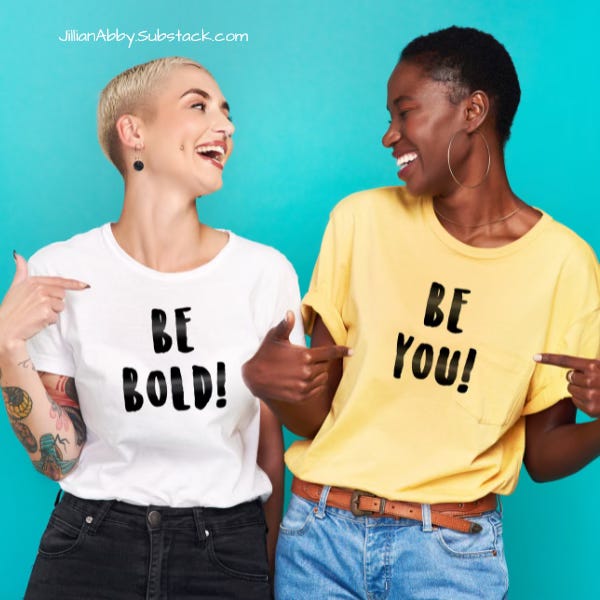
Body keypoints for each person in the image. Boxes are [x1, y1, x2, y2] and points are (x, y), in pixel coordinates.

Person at [242, 26, 600, 599]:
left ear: (472, 110)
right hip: (319, 540)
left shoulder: (564, 264)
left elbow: (544, 455)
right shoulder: (360, 221)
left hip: (449, 557)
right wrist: (268, 382)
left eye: (405, 112)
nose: (390, 135)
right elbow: (317, 418)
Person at [0, 56, 304, 599]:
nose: (226, 126)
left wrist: (270, 563)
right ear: (133, 131)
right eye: (198, 105)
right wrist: (7, 345)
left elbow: (268, 443)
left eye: (227, 112)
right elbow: (59, 455)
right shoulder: (61, 271)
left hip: (226, 545)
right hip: (90, 543)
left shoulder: (264, 272)